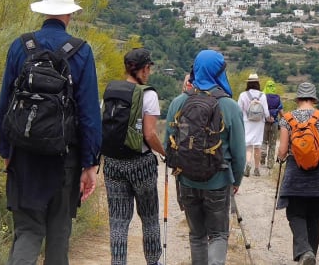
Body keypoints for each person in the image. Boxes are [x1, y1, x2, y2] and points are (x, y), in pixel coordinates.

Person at [0, 0, 101, 265]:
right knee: (58, 238)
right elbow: (90, 114)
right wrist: (90, 164)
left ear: (43, 10)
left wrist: (6, 151)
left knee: (27, 231)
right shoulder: (81, 51)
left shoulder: (20, 47)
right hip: (65, 159)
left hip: (24, 157)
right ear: (69, 14)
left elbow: (4, 104)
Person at [165, 50, 246, 265]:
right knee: (218, 235)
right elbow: (239, 153)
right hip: (218, 180)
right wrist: (235, 180)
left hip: (186, 181)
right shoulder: (229, 106)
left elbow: (169, 144)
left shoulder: (178, 103)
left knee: (196, 235)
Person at [103, 48, 166, 265]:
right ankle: (153, 262)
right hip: (141, 165)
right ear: (142, 69)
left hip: (112, 163)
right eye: (148, 68)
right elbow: (149, 134)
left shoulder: (111, 90)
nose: (149, 72)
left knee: (118, 221)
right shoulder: (148, 94)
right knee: (149, 218)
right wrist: (165, 152)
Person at [276, 82, 319, 265]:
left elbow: (282, 150)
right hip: (318, 177)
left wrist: (281, 158)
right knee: (313, 217)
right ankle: (310, 256)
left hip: (295, 175)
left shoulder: (287, 119)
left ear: (298, 99)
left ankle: (305, 252)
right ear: (313, 99)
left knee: (294, 214)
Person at [237, 73, 270, 177]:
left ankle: (248, 164)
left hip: (247, 122)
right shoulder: (262, 95)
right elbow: (266, 112)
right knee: (257, 146)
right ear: (257, 83)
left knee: (248, 147)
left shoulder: (243, 95)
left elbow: (239, 110)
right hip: (259, 123)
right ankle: (256, 168)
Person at [261, 79, 284, 169]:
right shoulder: (277, 98)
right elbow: (282, 113)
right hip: (274, 123)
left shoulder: (263, 97)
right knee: (272, 144)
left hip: (264, 123)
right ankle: (270, 163)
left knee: (264, 141)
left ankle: (262, 156)